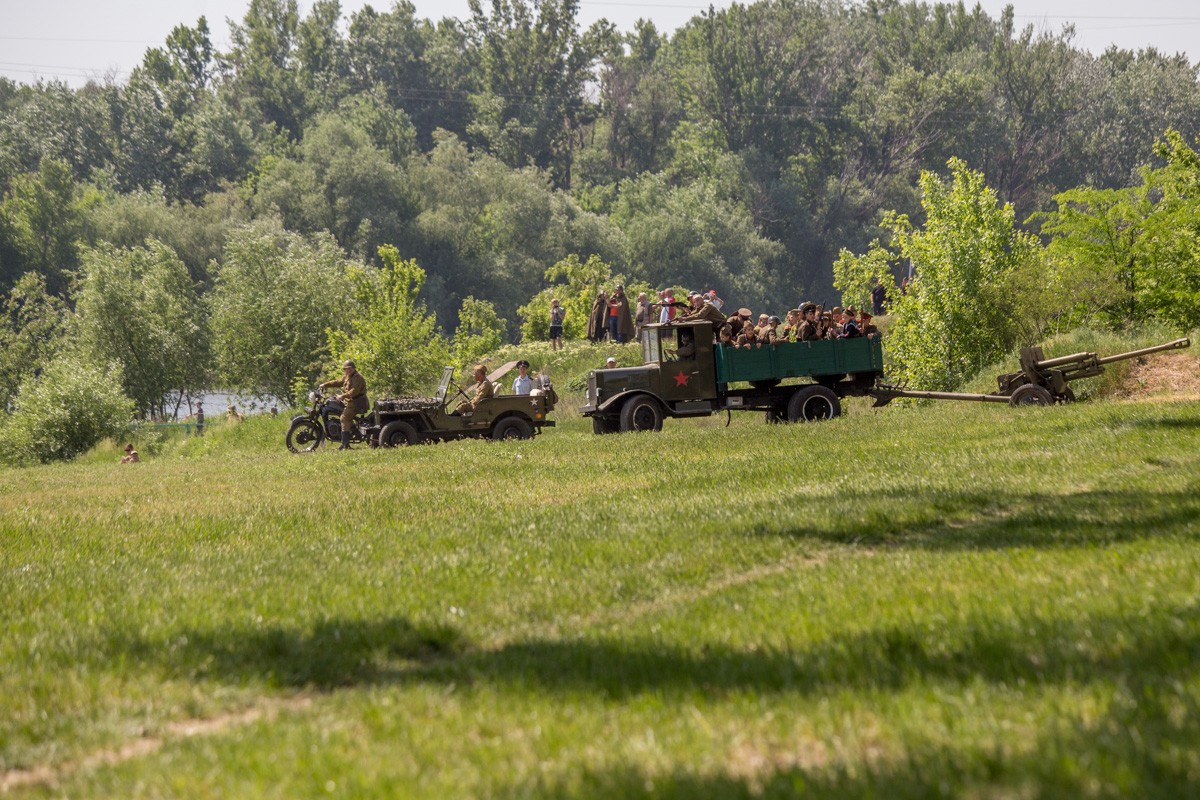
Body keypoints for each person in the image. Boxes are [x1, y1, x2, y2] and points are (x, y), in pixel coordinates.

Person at [319, 359, 368, 450]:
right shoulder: (347, 376)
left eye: (349, 368)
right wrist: (325, 385)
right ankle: (349, 430)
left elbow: (354, 391)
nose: (348, 370)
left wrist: (342, 396)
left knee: (344, 418)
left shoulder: (358, 378)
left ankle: (345, 444)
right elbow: (338, 382)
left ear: (354, 368)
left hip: (356, 402)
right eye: (346, 369)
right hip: (349, 401)